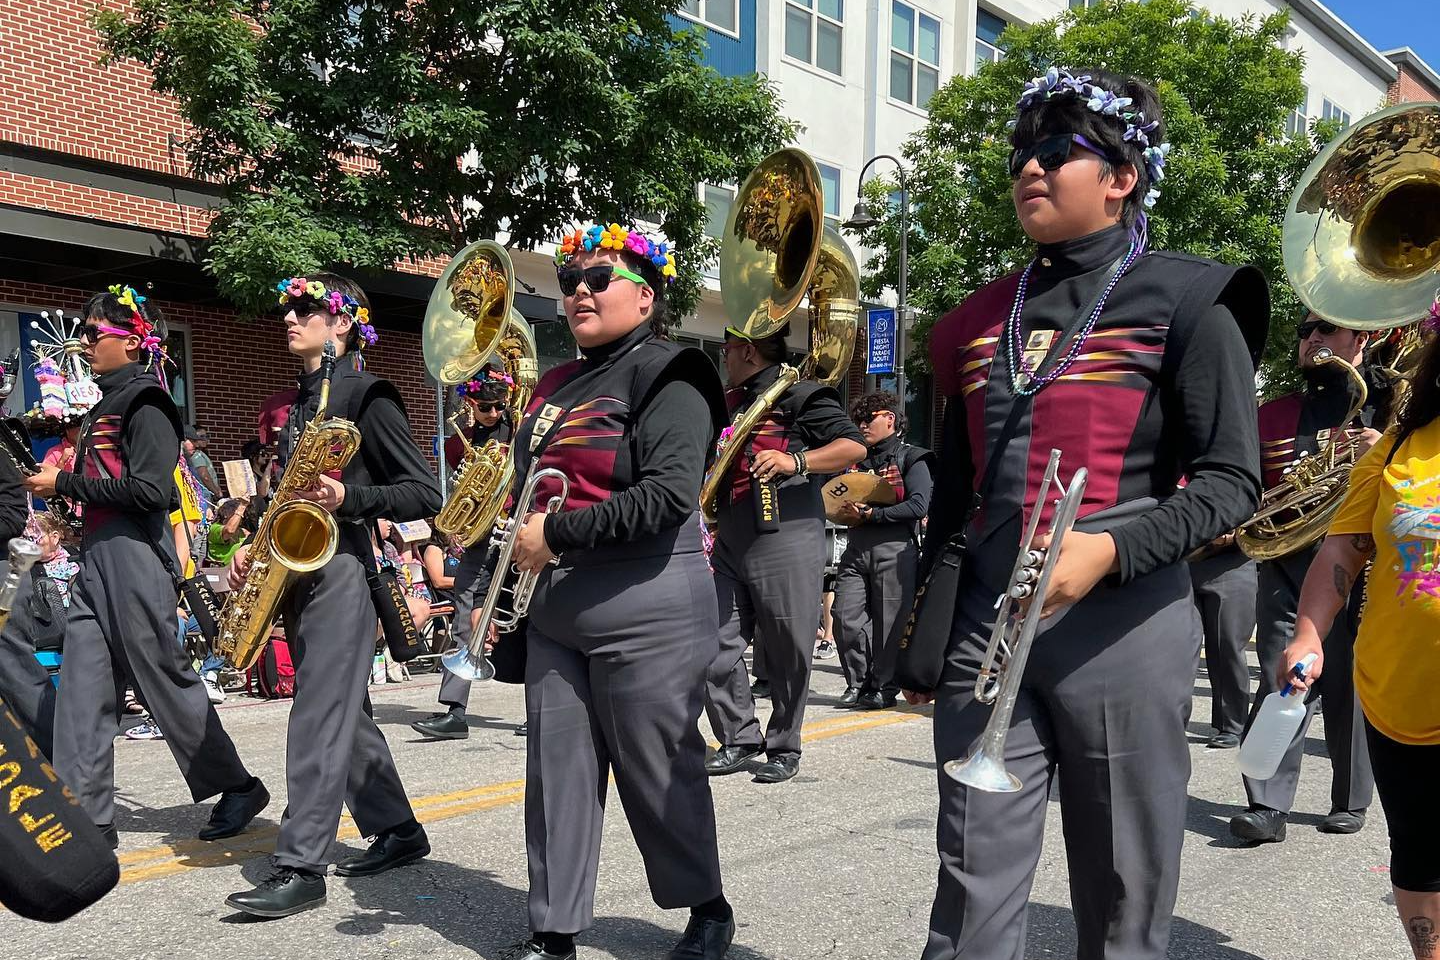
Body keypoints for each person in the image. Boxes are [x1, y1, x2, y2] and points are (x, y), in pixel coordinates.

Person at [911, 67, 1266, 960]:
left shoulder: (1189, 298)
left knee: (1120, 891)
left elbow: (1232, 482)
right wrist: (921, 631)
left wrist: (1106, 552)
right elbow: (956, 495)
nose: (1031, 166)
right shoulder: (977, 319)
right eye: (1023, 149)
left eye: (1058, 149)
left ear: (1122, 176)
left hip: (1124, 628)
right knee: (969, 882)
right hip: (989, 630)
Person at [499, 223, 733, 960]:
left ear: (645, 293)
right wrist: (496, 575)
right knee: (555, 771)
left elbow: (669, 497)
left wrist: (557, 537)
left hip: (649, 599)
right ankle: (554, 926)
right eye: (570, 282)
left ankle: (707, 907)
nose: (578, 292)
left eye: (598, 278)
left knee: (657, 765)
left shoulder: (673, 371)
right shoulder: (554, 384)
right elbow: (526, 496)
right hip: (556, 605)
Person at [223, 272, 441, 918]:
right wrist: (250, 555)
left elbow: (424, 493)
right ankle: (399, 830)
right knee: (347, 715)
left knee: (316, 714)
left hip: (343, 571)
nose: (290, 316)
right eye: (288, 307)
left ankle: (302, 864)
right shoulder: (297, 406)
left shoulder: (367, 393)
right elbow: (287, 496)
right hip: (295, 570)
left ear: (342, 323)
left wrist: (352, 498)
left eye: (306, 308)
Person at [21, 284, 267, 850]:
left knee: (162, 676)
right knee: (83, 683)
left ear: (133, 342)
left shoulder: (148, 402)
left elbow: (153, 491)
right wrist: (70, 501)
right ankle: (88, 814)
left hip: (136, 554)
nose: (83, 341)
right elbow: (106, 489)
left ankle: (236, 785)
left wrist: (64, 481)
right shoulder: (104, 404)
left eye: (94, 333)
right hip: (98, 554)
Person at [1284, 300, 1440, 960]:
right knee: (1420, 853)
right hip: (1399, 697)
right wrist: (1310, 635)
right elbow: (1341, 551)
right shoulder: (1399, 448)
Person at [1229, 314, 1380, 842]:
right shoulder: (1274, 414)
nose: (1311, 337)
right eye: (1304, 330)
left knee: (1347, 679)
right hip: (1289, 561)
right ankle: (1267, 802)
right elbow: (1250, 484)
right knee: (1280, 667)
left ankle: (1349, 798)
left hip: (1363, 563)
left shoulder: (1389, 405)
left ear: (1361, 337)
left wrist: (1380, 448)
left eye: (1327, 329)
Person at [703, 325, 866, 783]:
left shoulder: (800, 394)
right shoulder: (731, 400)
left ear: (748, 351)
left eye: (727, 348)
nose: (724, 357)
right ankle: (738, 735)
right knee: (713, 641)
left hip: (786, 532)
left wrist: (795, 461)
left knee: (789, 645)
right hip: (732, 531)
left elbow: (853, 445)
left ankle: (784, 744)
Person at [413, 367, 516, 740]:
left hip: (518, 533)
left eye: (499, 406)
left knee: (535, 622)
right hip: (480, 537)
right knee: (463, 616)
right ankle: (455, 712)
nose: (494, 414)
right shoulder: (459, 442)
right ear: (472, 404)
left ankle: (541, 708)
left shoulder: (518, 431)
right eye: (485, 407)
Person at [830, 391, 934, 709]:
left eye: (868, 419)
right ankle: (858, 682)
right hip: (856, 546)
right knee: (844, 615)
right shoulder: (854, 460)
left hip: (895, 547)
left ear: (889, 418)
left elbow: (919, 504)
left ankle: (884, 686)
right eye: (858, 420)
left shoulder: (913, 457)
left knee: (891, 622)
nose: (862, 425)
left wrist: (875, 514)